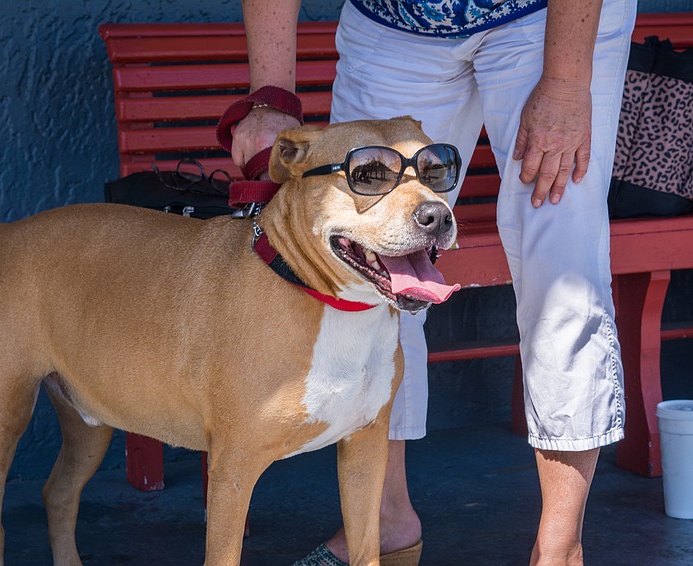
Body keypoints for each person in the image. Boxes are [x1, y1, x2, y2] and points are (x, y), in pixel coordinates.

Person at [231, 0, 636, 564]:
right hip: (394, 23)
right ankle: (383, 523)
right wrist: (271, 95)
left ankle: (560, 549)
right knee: (364, 258)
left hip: (544, 19)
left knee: (559, 260)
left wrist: (567, 82)